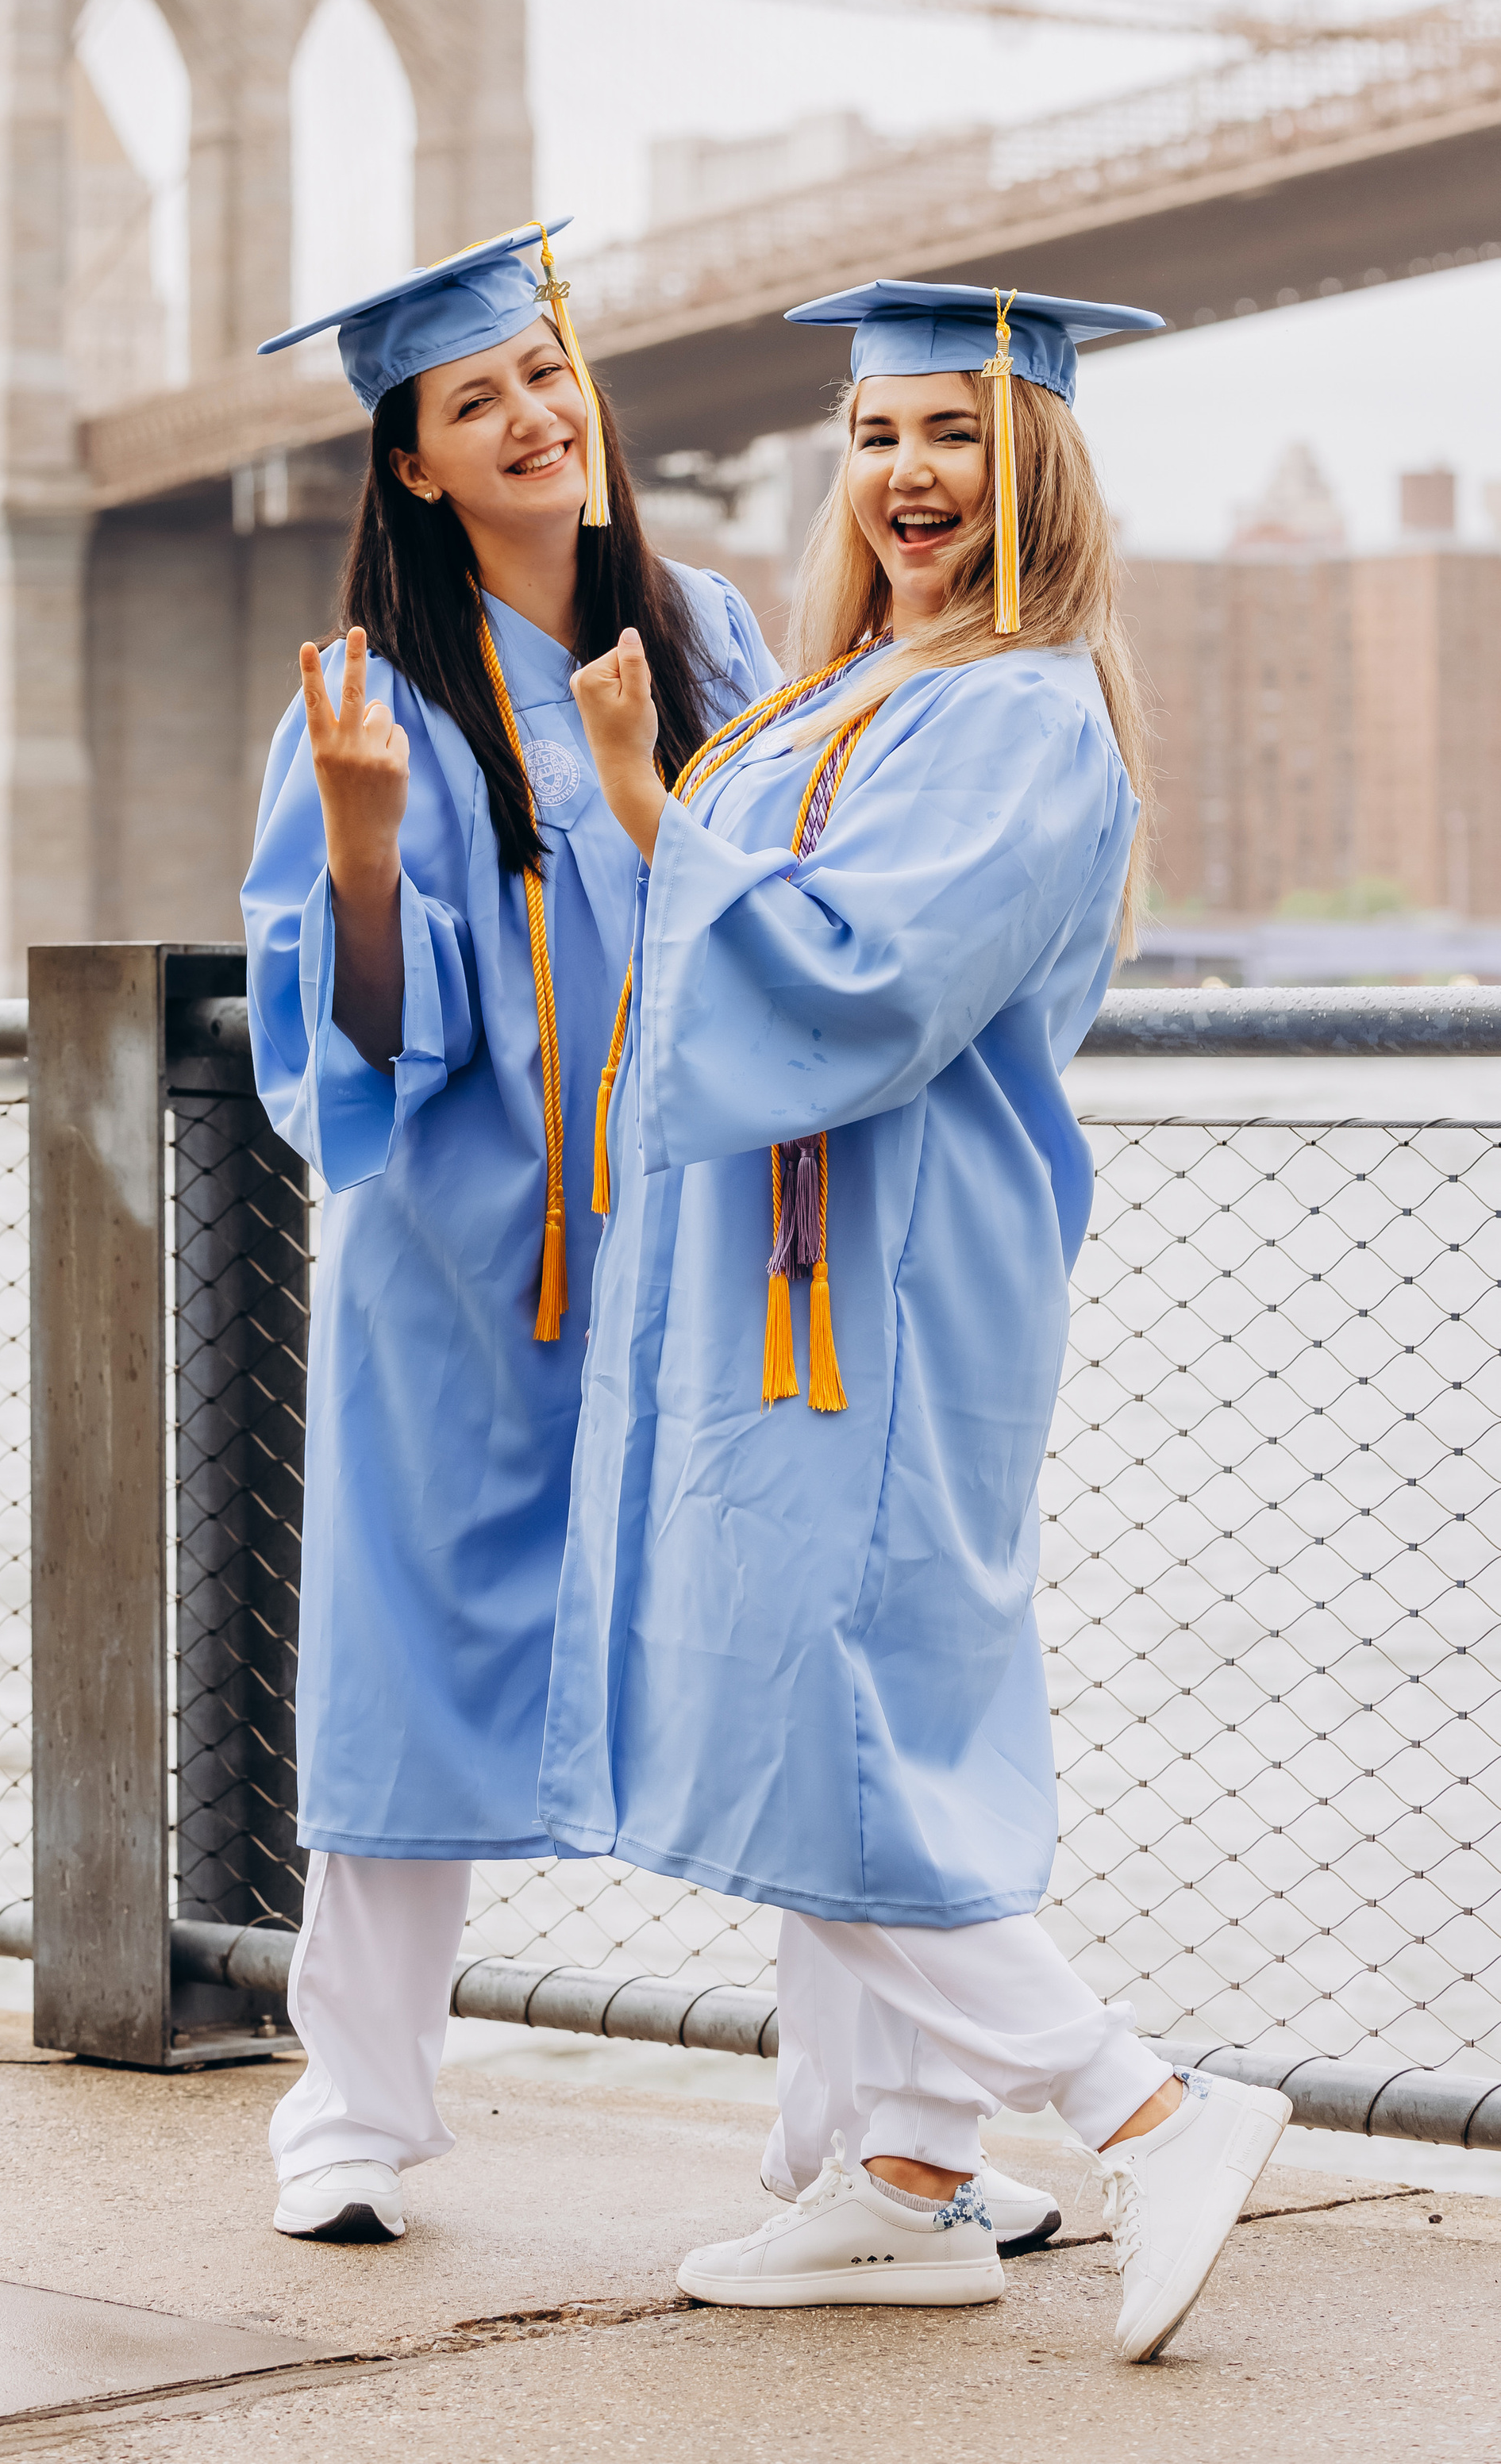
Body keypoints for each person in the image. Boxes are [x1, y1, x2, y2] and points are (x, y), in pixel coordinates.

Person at [547, 282, 1291, 2362]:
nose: (910, 473)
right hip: (777, 1275)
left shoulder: (1024, 709)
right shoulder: (836, 693)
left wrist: (638, 803)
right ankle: (902, 2176)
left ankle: (1144, 2107)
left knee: (835, 1707)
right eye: (876, 433)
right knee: (839, 1706)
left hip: (883, 1280)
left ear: (1033, 460)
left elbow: (855, 982)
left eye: (956, 431)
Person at [241, 220, 780, 2247]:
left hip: (714, 1254)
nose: (533, 417)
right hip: (473, 1269)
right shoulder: (364, 700)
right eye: (475, 400)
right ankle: (353, 2101)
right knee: (407, 1652)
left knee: (778, 1646)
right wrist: (367, 849)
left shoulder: (716, 637)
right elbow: (362, 1044)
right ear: (413, 462)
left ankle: (872, 2125)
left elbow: (788, 917)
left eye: (545, 375)